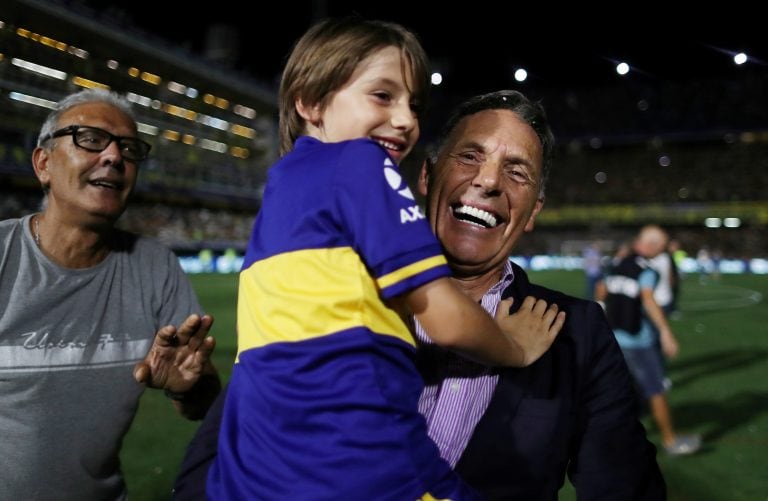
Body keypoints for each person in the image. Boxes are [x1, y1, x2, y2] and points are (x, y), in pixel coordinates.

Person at [173, 89, 666, 500]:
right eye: (469, 155)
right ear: (426, 178)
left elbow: (626, 487)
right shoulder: (323, 291)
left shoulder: (575, 333)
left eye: (516, 172)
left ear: (533, 211)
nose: (489, 181)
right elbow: (213, 464)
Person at [206, 18, 563, 500]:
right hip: (362, 459)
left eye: (414, 104)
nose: (405, 120)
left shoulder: (284, 184)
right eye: (382, 96)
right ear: (310, 102)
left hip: (255, 471)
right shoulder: (361, 163)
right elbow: (445, 320)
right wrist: (513, 345)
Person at [0, 88, 221, 500]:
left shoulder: (155, 267)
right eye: (91, 139)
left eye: (129, 148)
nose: (115, 157)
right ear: (43, 163)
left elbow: (202, 403)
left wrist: (185, 385)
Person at [596, 224, 701, 456]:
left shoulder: (615, 264)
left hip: (615, 338)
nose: (663, 253)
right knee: (655, 388)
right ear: (651, 246)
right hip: (639, 341)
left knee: (619, 391)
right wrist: (665, 331)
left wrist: (603, 310)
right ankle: (670, 440)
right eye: (662, 248)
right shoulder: (647, 270)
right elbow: (648, 300)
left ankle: (611, 439)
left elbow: (601, 288)